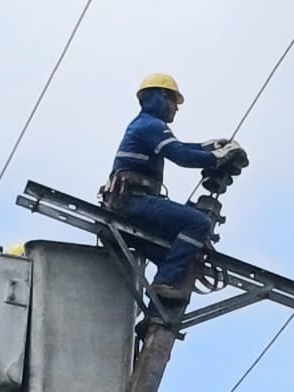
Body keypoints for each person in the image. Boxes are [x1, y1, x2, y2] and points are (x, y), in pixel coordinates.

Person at [103, 73, 246, 301]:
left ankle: (163, 300)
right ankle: (165, 283)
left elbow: (178, 147)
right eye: (173, 101)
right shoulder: (150, 125)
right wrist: (217, 157)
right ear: (160, 96)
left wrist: (207, 146)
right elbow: (181, 155)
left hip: (129, 201)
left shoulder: (146, 126)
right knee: (198, 222)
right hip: (132, 202)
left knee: (177, 250)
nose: (176, 109)